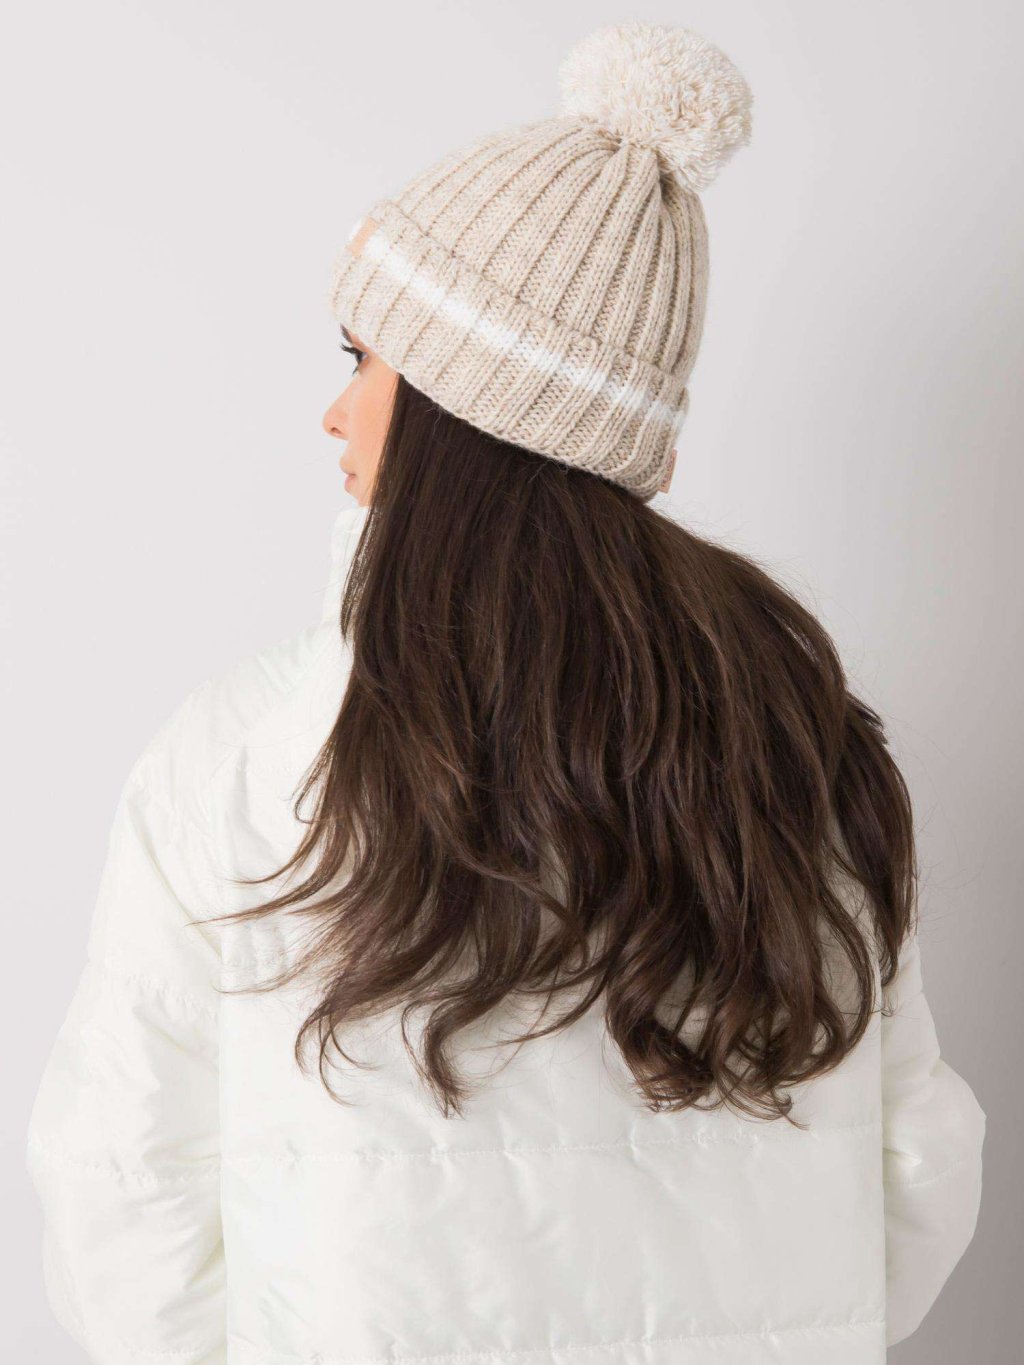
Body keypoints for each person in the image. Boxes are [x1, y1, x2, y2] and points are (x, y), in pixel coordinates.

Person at [26, 21, 986, 1364]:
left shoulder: (253, 752)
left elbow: (124, 1184)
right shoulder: (801, 741)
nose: (335, 414)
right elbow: (916, 1159)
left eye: (362, 361)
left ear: (462, 402)